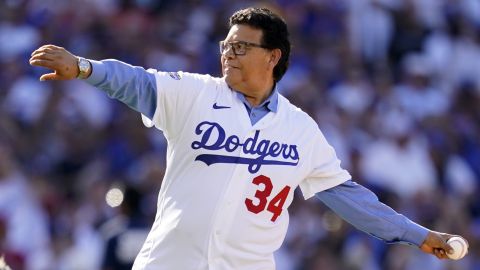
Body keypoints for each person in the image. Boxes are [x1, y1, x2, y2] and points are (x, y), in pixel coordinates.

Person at [29, 7, 467, 270]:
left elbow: (352, 201)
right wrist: (85, 68)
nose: (227, 53)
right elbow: (137, 83)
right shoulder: (196, 93)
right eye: (225, 44)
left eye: (240, 47)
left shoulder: (300, 130)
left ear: (272, 57)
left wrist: (417, 234)